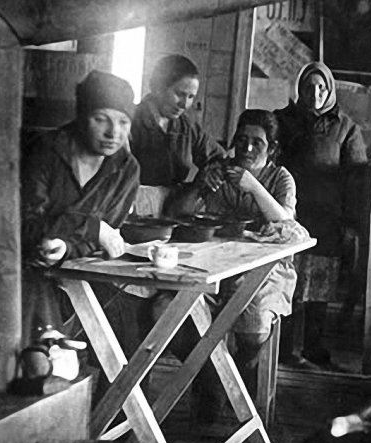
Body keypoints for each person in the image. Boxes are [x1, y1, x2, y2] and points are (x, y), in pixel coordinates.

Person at [167, 110, 299, 377]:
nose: (246, 148)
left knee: (255, 326)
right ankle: (209, 375)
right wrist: (199, 185)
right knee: (169, 311)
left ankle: (235, 372)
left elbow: (287, 225)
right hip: (213, 262)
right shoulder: (219, 170)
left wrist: (254, 187)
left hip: (266, 269)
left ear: (271, 149)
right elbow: (176, 213)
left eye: (257, 143)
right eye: (241, 140)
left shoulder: (280, 178)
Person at [20, 70, 140, 342]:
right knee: (40, 346)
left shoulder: (126, 169)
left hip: (78, 269)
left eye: (123, 122)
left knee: (128, 334)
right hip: (24, 271)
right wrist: (93, 227)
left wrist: (65, 247)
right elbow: (24, 225)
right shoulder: (46, 150)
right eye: (101, 119)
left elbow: (105, 241)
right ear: (82, 116)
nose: (113, 132)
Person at [276, 61, 368, 370]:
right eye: (308, 87)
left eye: (321, 88)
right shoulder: (282, 121)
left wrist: (351, 221)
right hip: (288, 213)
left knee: (318, 286)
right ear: (299, 90)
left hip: (326, 217)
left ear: (329, 91)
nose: (315, 94)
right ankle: (283, 348)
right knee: (287, 282)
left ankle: (314, 347)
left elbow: (356, 178)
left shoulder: (346, 126)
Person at [129, 54, 226, 214]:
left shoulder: (186, 126)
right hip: (134, 209)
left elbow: (220, 158)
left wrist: (210, 174)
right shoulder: (132, 121)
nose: (185, 104)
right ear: (158, 87)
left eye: (191, 97)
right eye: (180, 94)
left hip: (175, 208)